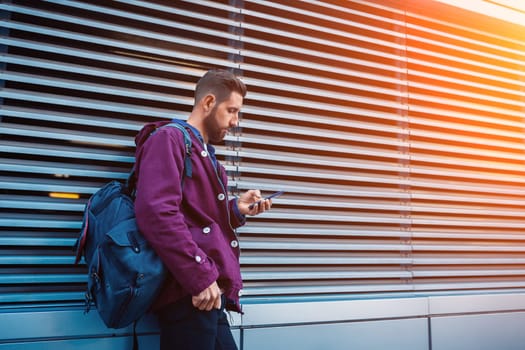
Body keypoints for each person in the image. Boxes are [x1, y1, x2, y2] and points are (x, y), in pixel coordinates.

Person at [133, 69, 272, 350]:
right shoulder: (169, 140)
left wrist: (236, 209)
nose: (235, 121)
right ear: (208, 102)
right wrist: (199, 277)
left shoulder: (210, 160)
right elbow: (156, 213)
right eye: (231, 110)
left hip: (208, 295)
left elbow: (198, 219)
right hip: (190, 295)